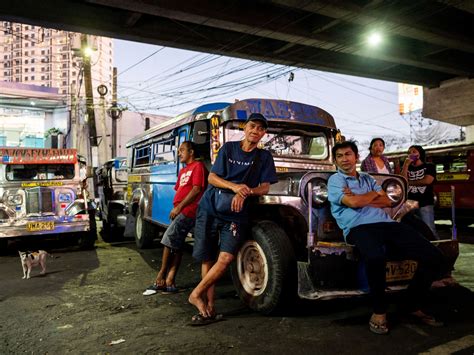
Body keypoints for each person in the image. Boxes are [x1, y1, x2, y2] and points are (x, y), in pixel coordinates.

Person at [328, 140, 444, 335]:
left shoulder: (367, 178)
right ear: (336, 160)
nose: (344, 159)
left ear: (356, 157)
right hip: (357, 227)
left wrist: (366, 198)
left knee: (435, 256)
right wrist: (372, 196)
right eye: (339, 156)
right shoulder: (336, 180)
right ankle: (379, 312)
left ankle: (411, 304)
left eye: (348, 154)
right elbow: (354, 202)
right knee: (375, 257)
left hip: (387, 224)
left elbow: (387, 202)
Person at [188, 113, 278, 325]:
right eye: (252, 126)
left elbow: (265, 187)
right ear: (245, 128)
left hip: (237, 213)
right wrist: (235, 187)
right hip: (210, 207)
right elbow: (212, 178)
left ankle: (195, 294)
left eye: (260, 129)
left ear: (264, 134)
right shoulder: (228, 148)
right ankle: (208, 309)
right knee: (208, 257)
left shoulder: (264, 157)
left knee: (226, 257)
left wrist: (245, 192)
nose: (255, 131)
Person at [143, 141, 208, 296]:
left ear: (191, 152)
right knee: (176, 245)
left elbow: (197, 189)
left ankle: (161, 276)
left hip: (189, 210)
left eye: (182, 150)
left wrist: (179, 207)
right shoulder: (183, 171)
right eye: (178, 151)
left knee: (168, 239)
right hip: (180, 211)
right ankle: (170, 281)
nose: (179, 153)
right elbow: (179, 190)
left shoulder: (198, 167)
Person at [401, 145, 438, 238]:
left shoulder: (429, 166)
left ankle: (436, 248)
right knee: (412, 229)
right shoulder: (408, 167)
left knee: (429, 228)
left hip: (425, 202)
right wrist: (406, 165)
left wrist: (409, 183)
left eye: (414, 152)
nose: (411, 154)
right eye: (409, 152)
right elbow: (402, 180)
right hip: (410, 203)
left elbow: (427, 180)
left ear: (420, 154)